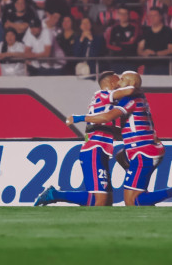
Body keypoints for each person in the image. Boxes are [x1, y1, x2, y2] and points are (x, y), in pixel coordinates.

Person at [66, 71, 172, 207]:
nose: (119, 81)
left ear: (130, 84)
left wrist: (78, 118)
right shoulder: (135, 97)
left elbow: (107, 117)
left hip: (142, 150)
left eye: (122, 79)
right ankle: (138, 182)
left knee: (132, 202)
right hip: (143, 148)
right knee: (121, 157)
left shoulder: (130, 98)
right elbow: (124, 130)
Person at [35, 71, 136, 207]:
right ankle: (55, 195)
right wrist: (134, 83)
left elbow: (109, 129)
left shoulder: (105, 103)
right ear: (111, 82)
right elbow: (129, 91)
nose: (120, 83)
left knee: (107, 201)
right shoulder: (103, 94)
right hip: (94, 150)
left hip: (101, 151)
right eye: (119, 80)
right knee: (99, 200)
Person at [138, 7, 172, 75]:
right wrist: (144, 53)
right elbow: (139, 49)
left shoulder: (168, 31)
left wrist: (156, 54)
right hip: (148, 67)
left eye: (155, 15)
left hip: (163, 66)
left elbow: (171, 49)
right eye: (151, 16)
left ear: (160, 16)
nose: (152, 18)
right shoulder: (146, 31)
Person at [104, 5, 139, 73]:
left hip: (131, 61)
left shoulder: (134, 27)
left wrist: (117, 44)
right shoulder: (113, 28)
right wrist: (124, 46)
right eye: (121, 13)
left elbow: (132, 44)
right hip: (116, 62)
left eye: (125, 13)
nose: (123, 16)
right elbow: (108, 45)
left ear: (129, 15)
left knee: (131, 83)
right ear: (118, 15)